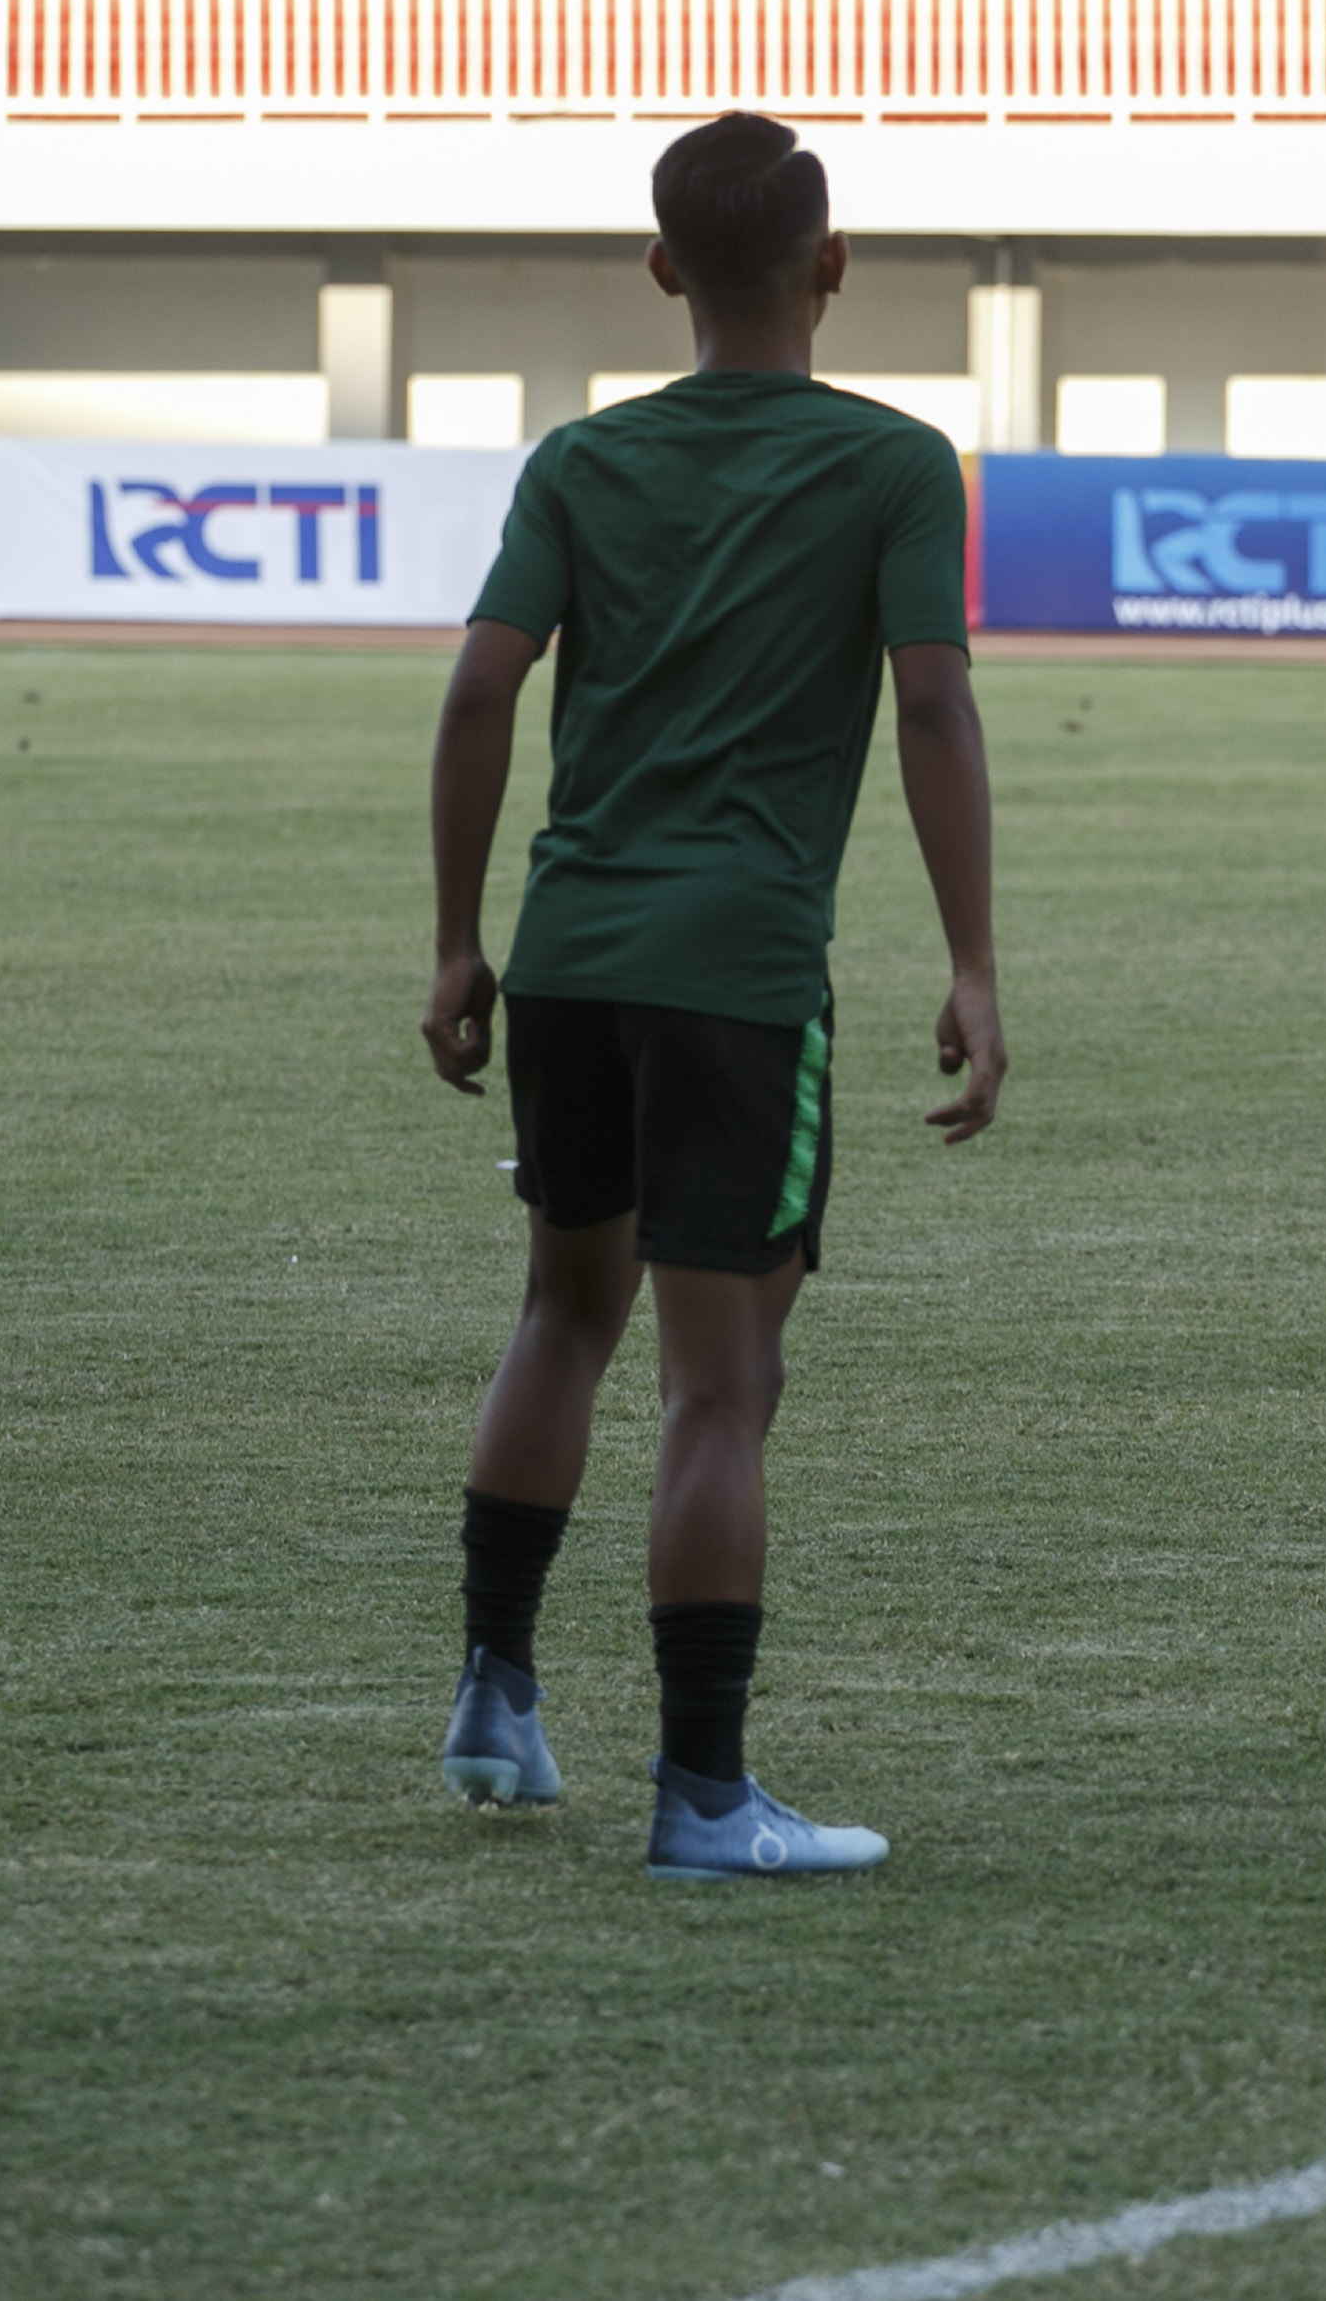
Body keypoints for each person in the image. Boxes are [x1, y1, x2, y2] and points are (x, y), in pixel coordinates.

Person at [419, 112, 1006, 1881]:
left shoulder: (580, 464)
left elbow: (476, 694)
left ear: (663, 269)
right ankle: (702, 1796)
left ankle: (496, 1693)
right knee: (719, 1388)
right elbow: (929, 710)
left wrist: (458, 940)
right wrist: (973, 960)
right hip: (742, 974)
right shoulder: (897, 465)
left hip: (575, 951)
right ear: (833, 268)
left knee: (560, 1314)